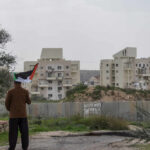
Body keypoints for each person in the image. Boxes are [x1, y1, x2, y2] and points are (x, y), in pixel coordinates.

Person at [5, 81, 31, 150]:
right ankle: (25, 147)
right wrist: (27, 95)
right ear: (21, 83)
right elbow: (29, 102)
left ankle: (12, 148)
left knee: (13, 133)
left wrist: (11, 110)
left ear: (14, 83)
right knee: (24, 133)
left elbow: (7, 103)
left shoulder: (10, 92)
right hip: (23, 116)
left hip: (13, 116)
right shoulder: (25, 91)